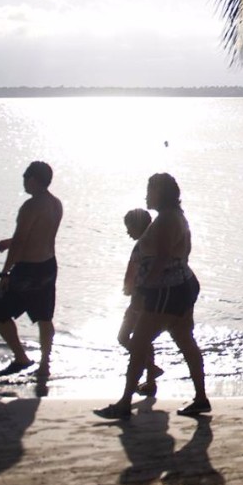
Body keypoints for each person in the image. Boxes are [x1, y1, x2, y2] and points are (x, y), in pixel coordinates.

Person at [95, 173, 209, 419]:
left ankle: (125, 403)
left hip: (166, 290)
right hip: (180, 286)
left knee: (138, 344)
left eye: (150, 190)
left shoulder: (168, 219)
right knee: (185, 341)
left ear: (161, 194)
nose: (147, 195)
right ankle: (201, 398)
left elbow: (163, 257)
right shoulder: (171, 217)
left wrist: (145, 286)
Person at [0, 160, 64, 378]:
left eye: (24, 178)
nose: (23, 182)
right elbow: (38, 234)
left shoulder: (30, 206)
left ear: (32, 179)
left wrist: (5, 272)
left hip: (28, 270)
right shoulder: (55, 203)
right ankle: (44, 365)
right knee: (44, 317)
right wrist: (8, 242)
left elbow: (22, 241)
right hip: (48, 266)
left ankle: (21, 358)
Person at [116, 208, 163, 397]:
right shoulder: (154, 244)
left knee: (124, 336)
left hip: (139, 300)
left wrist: (127, 289)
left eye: (130, 228)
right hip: (150, 299)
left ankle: (149, 368)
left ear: (138, 226)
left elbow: (132, 273)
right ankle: (151, 378)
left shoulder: (141, 247)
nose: (128, 232)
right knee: (144, 339)